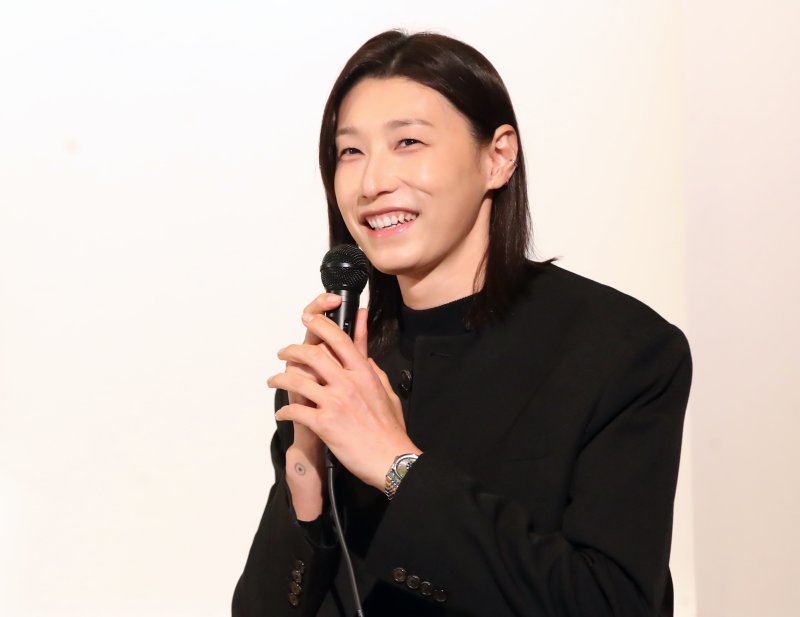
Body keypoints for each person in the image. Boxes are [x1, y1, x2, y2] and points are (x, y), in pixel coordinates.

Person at [232, 29, 692, 617]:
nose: (372, 183)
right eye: (350, 152)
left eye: (408, 142)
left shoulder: (622, 352)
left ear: (497, 156)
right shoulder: (345, 365)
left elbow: (612, 603)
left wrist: (397, 466)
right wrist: (306, 471)